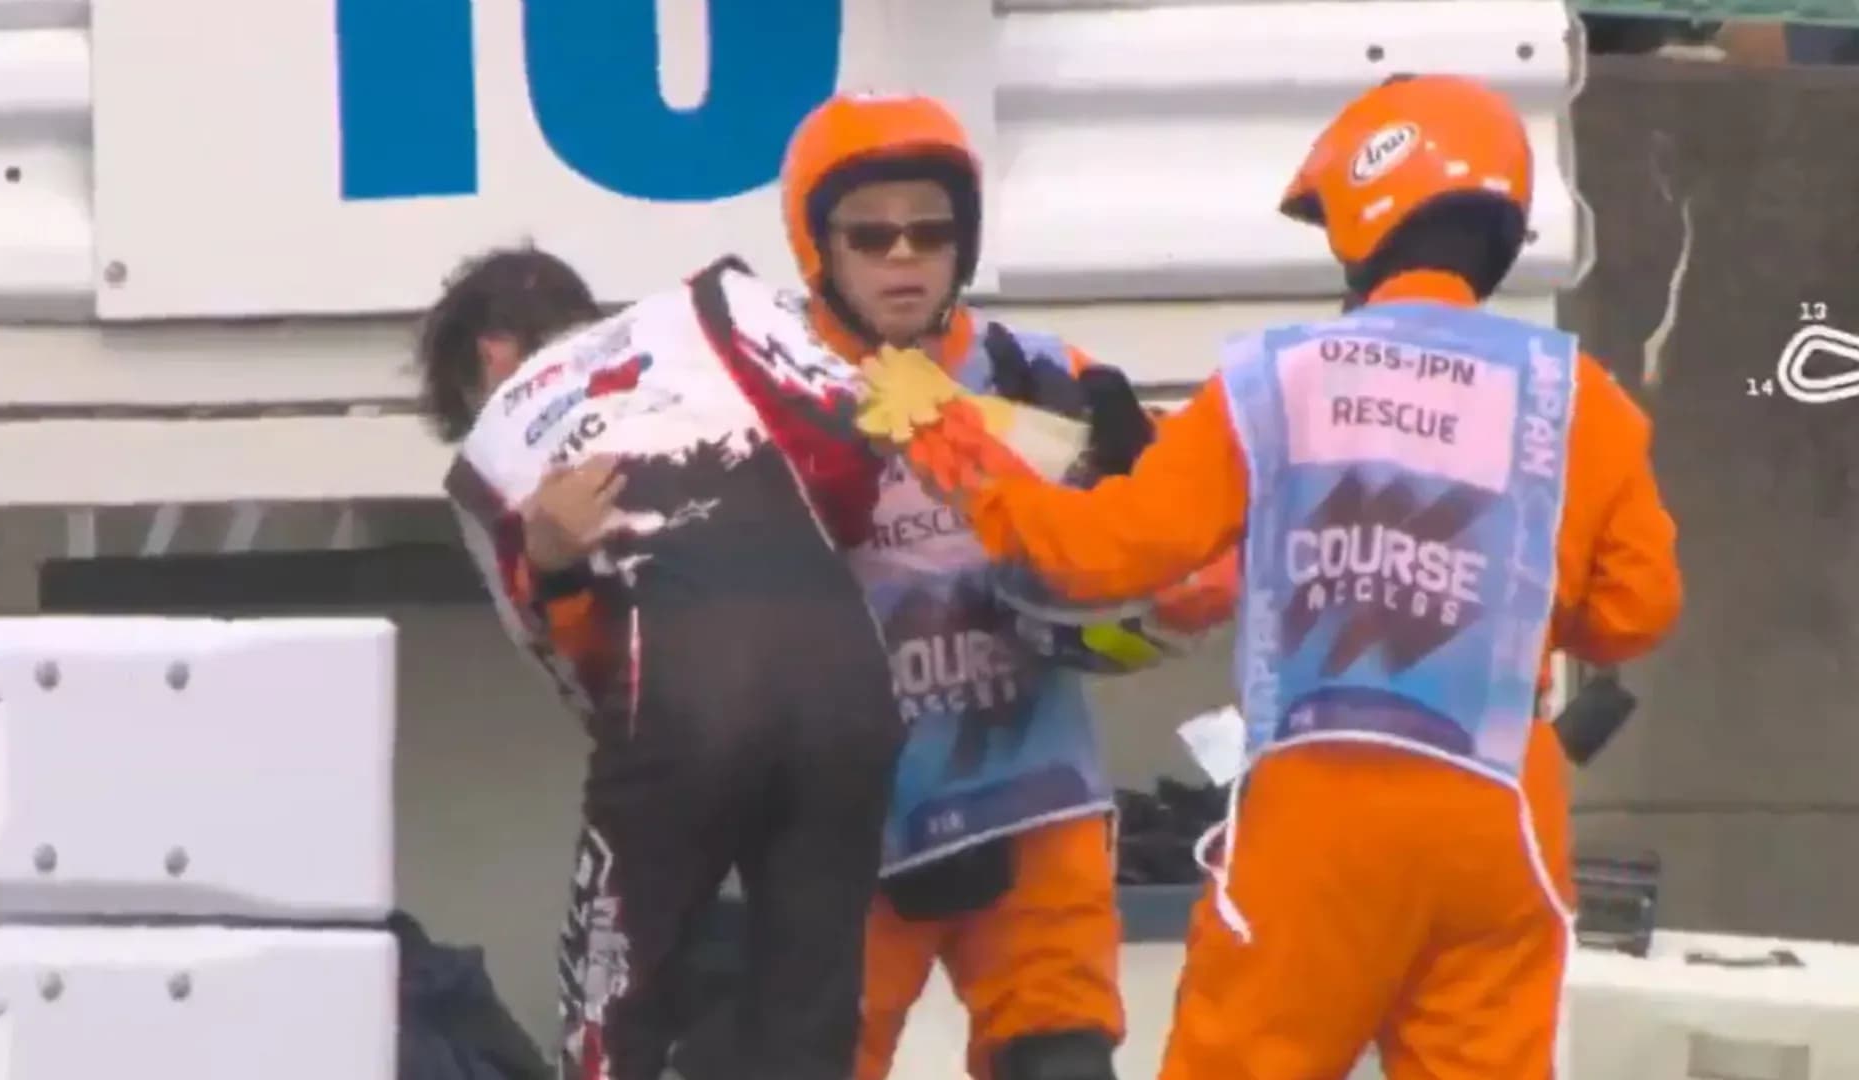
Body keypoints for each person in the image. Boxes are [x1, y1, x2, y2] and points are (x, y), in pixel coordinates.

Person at [856, 74, 1683, 1079]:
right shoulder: (1576, 391)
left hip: (1321, 815)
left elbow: (1098, 554)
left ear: (1366, 218)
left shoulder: (1275, 376)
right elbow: (1634, 614)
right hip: (1504, 816)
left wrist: (962, 454)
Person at [779, 92, 1240, 1080]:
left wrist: (1155, 567)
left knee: (1064, 1057)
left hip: (1031, 800)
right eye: (870, 234)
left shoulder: (1047, 375)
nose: (904, 255)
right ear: (818, 248)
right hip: (838, 823)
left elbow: (1194, 569)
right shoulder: (765, 389)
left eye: (931, 230)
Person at [422, 246, 905, 1080]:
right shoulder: (710, 308)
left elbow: (569, 668)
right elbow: (852, 443)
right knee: (811, 1020)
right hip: (849, 682)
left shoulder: (487, 457)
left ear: (489, 357)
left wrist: (553, 565)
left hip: (681, 695)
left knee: (611, 1017)